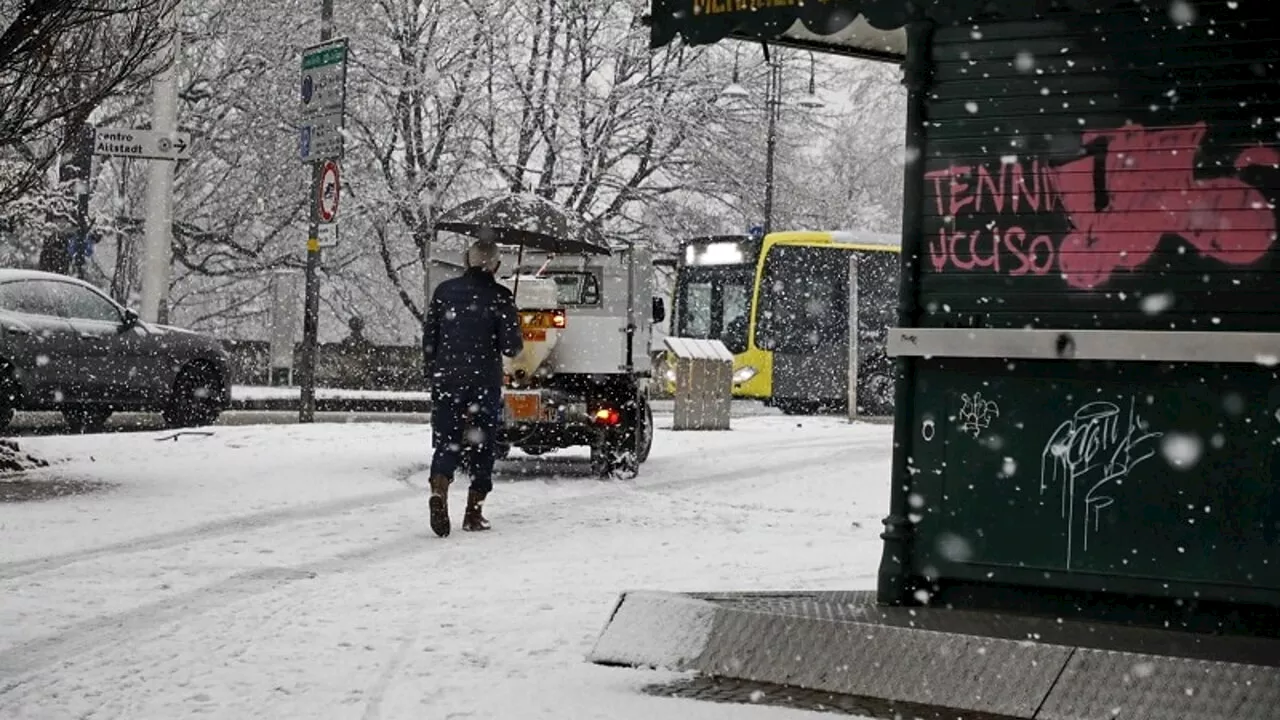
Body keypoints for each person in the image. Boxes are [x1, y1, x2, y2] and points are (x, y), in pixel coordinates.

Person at [422, 239, 523, 536]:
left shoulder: (444, 292)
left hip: (447, 379)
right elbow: (511, 347)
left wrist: (433, 370)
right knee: (482, 443)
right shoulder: (501, 297)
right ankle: (473, 512)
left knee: (447, 440)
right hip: (483, 381)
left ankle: (439, 489)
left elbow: (430, 338)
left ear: (467, 261)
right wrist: (508, 321)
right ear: (496, 266)